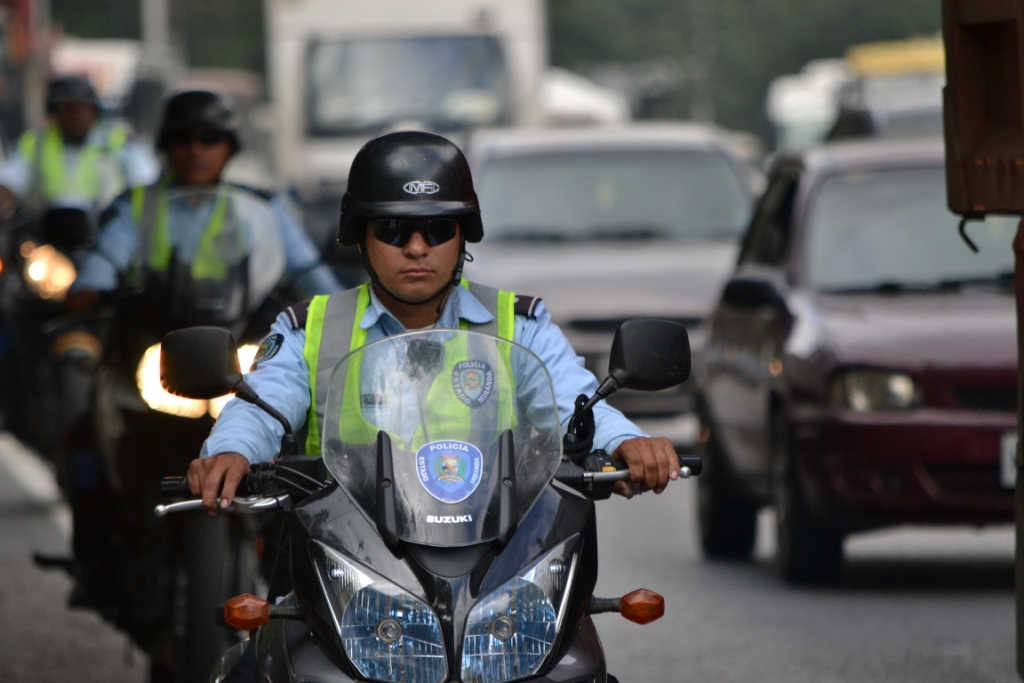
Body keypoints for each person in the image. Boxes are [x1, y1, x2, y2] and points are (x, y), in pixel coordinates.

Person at [188, 131, 681, 512]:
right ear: (361, 236)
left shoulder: (519, 324)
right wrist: (233, 452)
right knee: (279, 644)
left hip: (496, 552)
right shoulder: (308, 328)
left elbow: (570, 400)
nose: (417, 247)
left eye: (438, 228)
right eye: (394, 228)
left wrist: (625, 441)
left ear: (463, 237)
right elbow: (263, 403)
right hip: (346, 550)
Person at [67, 89, 341, 309]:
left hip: (240, 330)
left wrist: (336, 305)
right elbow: (107, 255)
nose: (196, 151)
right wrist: (88, 288)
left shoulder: (262, 206)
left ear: (230, 148)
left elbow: (306, 269)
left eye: (209, 140)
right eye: (183, 140)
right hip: (155, 332)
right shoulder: (136, 203)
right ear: (166, 146)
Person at [0, 74, 158, 214]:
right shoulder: (36, 144)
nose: (75, 115)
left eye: (82, 108)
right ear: (53, 113)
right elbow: (9, 181)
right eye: (67, 109)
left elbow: (145, 182)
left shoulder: (118, 142)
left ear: (94, 111)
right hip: (45, 237)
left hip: (105, 233)